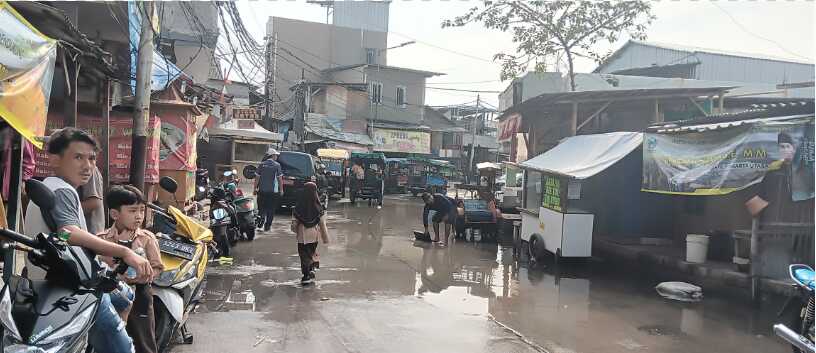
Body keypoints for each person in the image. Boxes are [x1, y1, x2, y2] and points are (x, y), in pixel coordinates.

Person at [25, 127, 152, 353]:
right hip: (76, 289)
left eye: (91, 158)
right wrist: (124, 252)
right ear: (54, 159)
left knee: (125, 296)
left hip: (56, 287)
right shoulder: (63, 190)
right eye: (78, 157)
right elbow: (68, 232)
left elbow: (63, 235)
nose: (87, 166)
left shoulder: (50, 187)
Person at [98, 185, 165, 353]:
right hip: (112, 295)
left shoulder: (147, 239)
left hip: (141, 296)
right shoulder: (102, 239)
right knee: (114, 338)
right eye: (133, 211)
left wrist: (144, 276)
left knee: (144, 340)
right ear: (115, 214)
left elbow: (157, 267)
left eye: (142, 211)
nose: (139, 216)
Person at [290, 182, 329, 284]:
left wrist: (295, 230)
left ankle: (306, 275)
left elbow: (294, 224)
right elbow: (322, 224)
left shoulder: (298, 207)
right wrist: (325, 238)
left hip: (302, 236)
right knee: (311, 253)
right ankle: (311, 268)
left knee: (303, 255)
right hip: (314, 235)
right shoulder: (318, 207)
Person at [256, 148, 283, 232]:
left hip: (262, 191)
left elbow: (257, 178)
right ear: (273, 155)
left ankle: (261, 221)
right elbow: (280, 179)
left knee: (261, 208)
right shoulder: (277, 165)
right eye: (276, 155)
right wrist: (281, 189)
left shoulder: (262, 164)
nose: (277, 157)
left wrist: (254, 188)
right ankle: (267, 226)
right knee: (271, 209)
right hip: (273, 192)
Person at [79, 165, 105, 234]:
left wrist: (68, 210)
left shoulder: (88, 169)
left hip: (90, 232)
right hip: (72, 231)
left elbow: (94, 203)